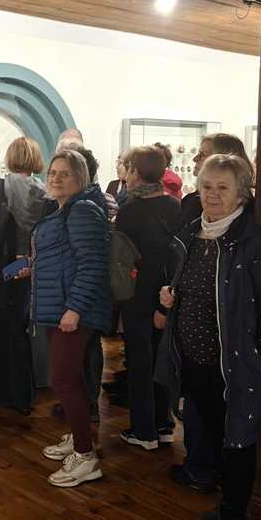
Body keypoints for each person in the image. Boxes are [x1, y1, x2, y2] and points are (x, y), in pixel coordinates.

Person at [158, 153, 261, 520]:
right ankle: (230, 506)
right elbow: (190, 287)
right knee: (216, 437)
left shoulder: (253, 242)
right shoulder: (191, 233)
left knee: (237, 444)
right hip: (195, 361)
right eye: (207, 186)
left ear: (242, 195)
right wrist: (171, 296)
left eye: (223, 187)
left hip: (237, 367)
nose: (212, 195)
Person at [34, 149, 111, 487]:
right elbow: (66, 257)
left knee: (63, 379)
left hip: (72, 309)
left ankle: (85, 456)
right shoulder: (67, 208)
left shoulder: (82, 210)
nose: (56, 178)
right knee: (72, 379)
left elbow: (92, 264)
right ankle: (80, 436)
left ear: (81, 177)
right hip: (60, 305)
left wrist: (75, 308)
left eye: (64, 173)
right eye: (53, 172)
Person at [115, 146, 181, 450]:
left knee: (140, 364)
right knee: (160, 361)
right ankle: (164, 425)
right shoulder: (175, 206)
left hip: (138, 296)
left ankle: (144, 431)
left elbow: (122, 260)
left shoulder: (130, 211)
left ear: (136, 172)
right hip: (166, 296)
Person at [0, 136, 45, 415]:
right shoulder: (42, 191)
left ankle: (4, 393)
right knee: (21, 330)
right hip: (27, 265)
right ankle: (23, 395)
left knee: (0, 330)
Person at [183, 134, 252, 224]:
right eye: (207, 187)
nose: (195, 159)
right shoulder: (191, 202)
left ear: (223, 161)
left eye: (202, 155)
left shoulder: (251, 214)